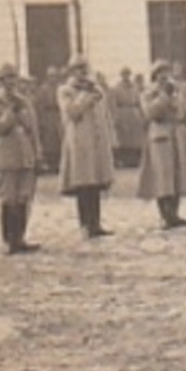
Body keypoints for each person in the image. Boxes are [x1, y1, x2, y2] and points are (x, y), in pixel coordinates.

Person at [0, 63, 44, 254]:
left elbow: (32, 129)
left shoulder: (24, 101)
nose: (11, 83)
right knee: (8, 197)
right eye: (7, 79)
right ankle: (9, 240)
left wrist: (37, 153)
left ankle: (20, 237)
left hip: (24, 153)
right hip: (5, 154)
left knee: (24, 197)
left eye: (13, 79)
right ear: (0, 82)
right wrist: (10, 114)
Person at [59, 55, 117, 238]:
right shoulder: (66, 90)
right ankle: (85, 223)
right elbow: (71, 112)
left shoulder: (96, 89)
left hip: (97, 141)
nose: (82, 73)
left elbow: (104, 114)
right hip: (80, 142)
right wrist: (85, 97)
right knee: (83, 183)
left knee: (96, 182)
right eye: (78, 69)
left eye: (84, 69)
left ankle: (96, 222)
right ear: (72, 72)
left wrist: (110, 137)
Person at [136, 59, 186, 229]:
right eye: (161, 73)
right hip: (159, 135)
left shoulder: (177, 91)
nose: (165, 77)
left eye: (167, 73)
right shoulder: (148, 93)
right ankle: (165, 215)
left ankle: (175, 213)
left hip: (176, 133)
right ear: (155, 76)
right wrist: (163, 96)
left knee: (177, 175)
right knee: (163, 177)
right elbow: (151, 112)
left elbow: (183, 112)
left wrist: (175, 100)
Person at [108, 68, 145, 169]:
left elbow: (139, 102)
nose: (126, 77)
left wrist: (142, 115)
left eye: (128, 74)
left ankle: (135, 160)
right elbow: (113, 104)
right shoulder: (116, 88)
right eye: (124, 74)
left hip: (134, 113)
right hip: (122, 113)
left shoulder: (135, 87)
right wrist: (115, 117)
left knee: (136, 138)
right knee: (124, 138)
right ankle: (125, 160)